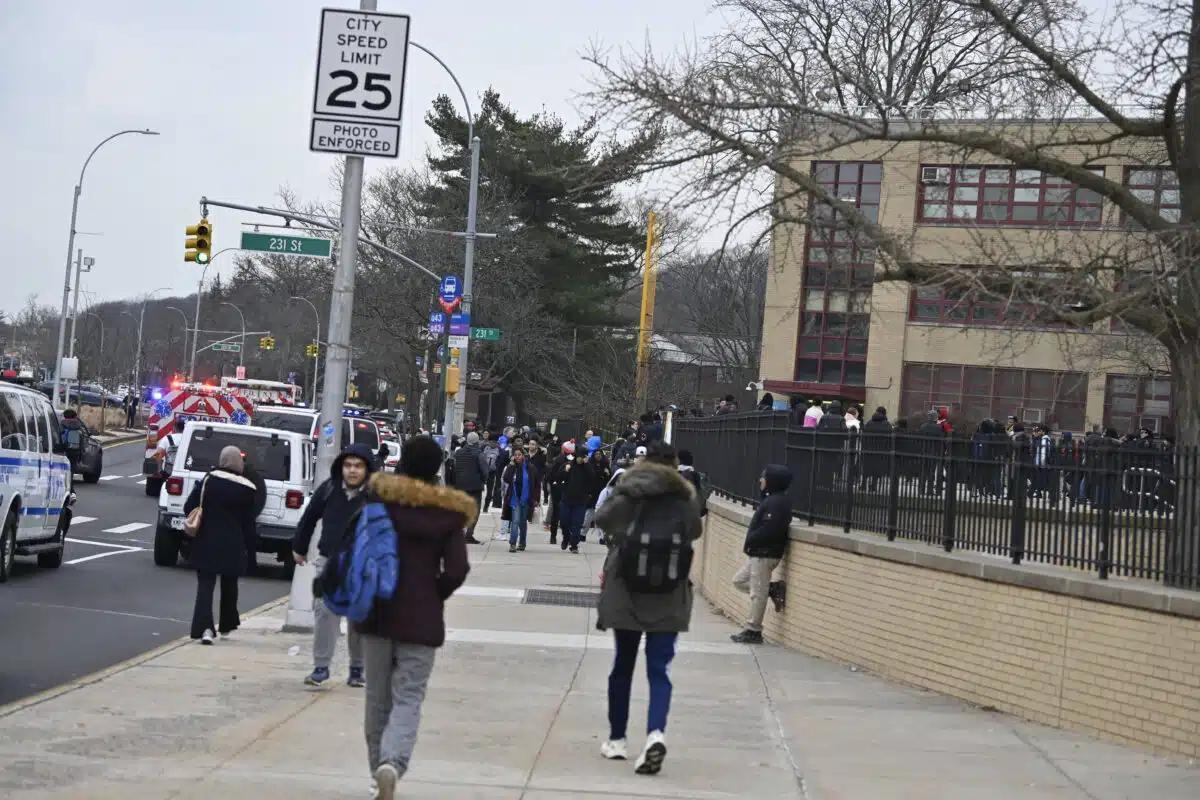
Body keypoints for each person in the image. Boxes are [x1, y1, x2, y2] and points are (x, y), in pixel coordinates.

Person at [356, 435, 473, 798]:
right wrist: (431, 594)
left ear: (402, 461)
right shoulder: (447, 516)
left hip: (377, 613)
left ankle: (379, 772)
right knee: (409, 697)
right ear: (438, 468)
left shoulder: (378, 503)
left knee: (377, 698)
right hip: (421, 619)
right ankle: (394, 762)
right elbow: (456, 569)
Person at [594, 441, 703, 775]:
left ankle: (617, 740)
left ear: (644, 461)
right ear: (673, 465)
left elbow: (602, 519)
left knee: (622, 665)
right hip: (669, 591)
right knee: (659, 669)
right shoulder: (684, 497)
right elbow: (695, 531)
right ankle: (655, 733)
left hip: (627, 587)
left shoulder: (630, 490)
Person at [292, 443, 376, 687]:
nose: (352, 471)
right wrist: (299, 547)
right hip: (329, 562)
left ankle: (357, 668)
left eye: (358, 466)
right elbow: (308, 518)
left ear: (367, 469)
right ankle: (321, 667)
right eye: (348, 465)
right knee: (325, 613)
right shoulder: (328, 489)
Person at [183, 446, 258, 644]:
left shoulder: (209, 480)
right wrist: (252, 554)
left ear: (222, 459)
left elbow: (188, 506)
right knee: (229, 585)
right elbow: (249, 524)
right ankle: (227, 624)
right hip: (234, 545)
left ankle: (205, 629)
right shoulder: (248, 489)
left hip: (206, 542)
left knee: (205, 587)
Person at [730, 465, 794, 644]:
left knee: (757, 593)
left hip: (764, 553)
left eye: (763, 477)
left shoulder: (776, 503)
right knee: (739, 581)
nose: (760, 480)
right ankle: (772, 589)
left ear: (772, 481)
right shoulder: (772, 500)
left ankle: (753, 630)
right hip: (758, 553)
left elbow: (770, 529)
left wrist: (752, 540)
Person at [451, 432, 489, 544]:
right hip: (475, 487)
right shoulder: (479, 454)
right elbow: (485, 470)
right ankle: (469, 535)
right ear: (477, 441)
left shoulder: (458, 453)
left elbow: (454, 468)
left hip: (460, 486)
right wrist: (484, 479)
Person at [557, 444, 597, 553]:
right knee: (564, 522)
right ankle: (566, 538)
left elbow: (592, 479)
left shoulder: (587, 467)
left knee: (577, 523)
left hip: (580, 500)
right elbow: (558, 478)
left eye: (584, 457)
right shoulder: (568, 465)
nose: (582, 459)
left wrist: (587, 465)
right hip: (567, 499)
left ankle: (574, 544)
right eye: (580, 457)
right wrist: (565, 471)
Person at [502, 446, 541, 552]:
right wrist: (511, 465)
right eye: (515, 455)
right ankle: (513, 543)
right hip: (515, 500)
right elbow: (506, 478)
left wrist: (536, 499)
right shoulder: (512, 467)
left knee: (523, 522)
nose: (517, 457)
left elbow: (537, 484)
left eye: (519, 455)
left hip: (527, 499)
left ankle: (522, 542)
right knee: (515, 521)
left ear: (523, 456)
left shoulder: (530, 468)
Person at [60, 408, 86, 475]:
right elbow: (82, 441)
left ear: (65, 416)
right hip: (75, 450)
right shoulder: (79, 426)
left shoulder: (62, 425)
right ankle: (70, 481)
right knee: (72, 468)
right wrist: (81, 452)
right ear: (74, 416)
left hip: (63, 449)